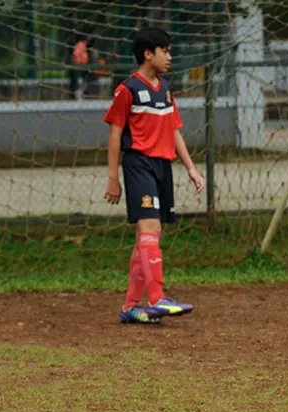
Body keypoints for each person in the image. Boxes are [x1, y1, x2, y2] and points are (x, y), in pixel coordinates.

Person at [103, 27, 203, 324]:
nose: (170, 56)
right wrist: (112, 177)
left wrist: (190, 167)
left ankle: (131, 307)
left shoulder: (166, 89)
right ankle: (157, 298)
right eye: (165, 51)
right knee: (150, 227)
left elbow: (174, 131)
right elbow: (115, 133)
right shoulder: (128, 90)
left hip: (162, 167)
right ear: (148, 54)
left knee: (147, 236)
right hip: (138, 165)